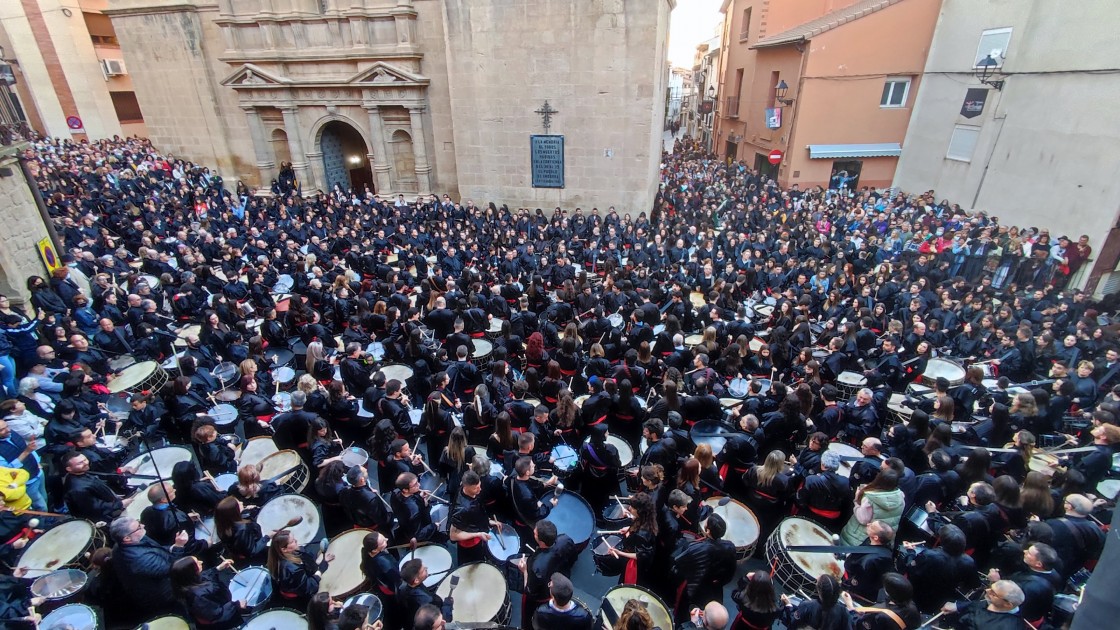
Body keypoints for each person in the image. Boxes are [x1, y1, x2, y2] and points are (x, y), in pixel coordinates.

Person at [109, 516, 192, 620]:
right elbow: (170, 568)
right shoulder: (139, 559)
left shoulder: (132, 541)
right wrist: (179, 547)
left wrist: (173, 547)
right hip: (164, 596)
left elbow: (157, 550)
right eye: (139, 527)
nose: (143, 525)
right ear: (127, 538)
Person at [170, 555, 245, 630]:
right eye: (197, 563)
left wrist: (217, 568)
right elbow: (217, 615)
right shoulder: (198, 597)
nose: (201, 562)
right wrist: (236, 605)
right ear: (191, 571)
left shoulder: (188, 582)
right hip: (222, 624)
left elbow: (204, 576)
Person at [268, 528, 333, 611]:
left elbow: (305, 560)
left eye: (294, 538)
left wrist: (318, 561)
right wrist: (320, 570)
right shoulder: (292, 569)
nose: (296, 541)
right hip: (300, 599)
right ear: (284, 549)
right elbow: (309, 587)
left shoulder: (290, 552)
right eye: (292, 541)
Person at [940, 580, 1026, 630]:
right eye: (990, 587)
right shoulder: (997, 603)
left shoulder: (1007, 627)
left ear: (1008, 604)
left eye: (993, 593)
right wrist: (958, 606)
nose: (987, 591)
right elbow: (978, 604)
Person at [780, 574, 852, 630]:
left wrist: (788, 605)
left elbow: (793, 623)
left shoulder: (807, 606)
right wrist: (850, 607)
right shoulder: (844, 611)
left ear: (819, 591)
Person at [397, 558, 453, 626]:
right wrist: (447, 606)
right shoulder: (428, 601)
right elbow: (441, 622)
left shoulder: (402, 587)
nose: (427, 568)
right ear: (416, 580)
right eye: (424, 570)